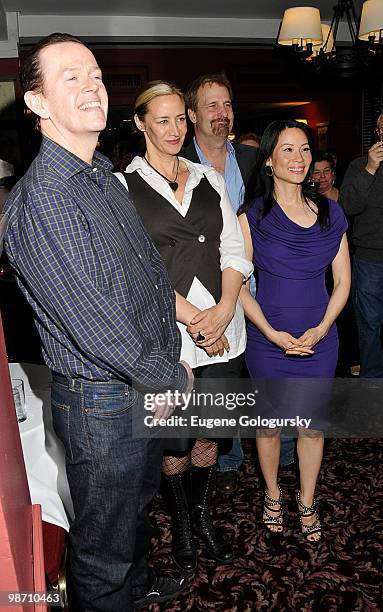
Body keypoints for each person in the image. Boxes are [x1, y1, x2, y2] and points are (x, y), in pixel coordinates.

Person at [4, 33, 193, 611]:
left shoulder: (101, 178)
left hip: (136, 387)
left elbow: (147, 280)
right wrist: (169, 375)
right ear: (37, 103)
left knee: (132, 517)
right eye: (71, 77)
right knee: (102, 551)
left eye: (96, 75)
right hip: (102, 401)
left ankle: (132, 592)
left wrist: (166, 356)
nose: (92, 86)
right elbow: (96, 324)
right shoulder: (45, 199)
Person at [116, 80, 253, 572]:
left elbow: (234, 250)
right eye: (162, 120)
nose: (174, 130)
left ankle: (201, 518)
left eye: (180, 119)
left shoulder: (207, 177)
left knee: (208, 437)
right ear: (140, 123)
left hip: (224, 331)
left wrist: (224, 310)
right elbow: (134, 272)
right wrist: (198, 319)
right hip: (169, 338)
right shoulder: (120, 187)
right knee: (173, 440)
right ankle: (181, 528)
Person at [238, 119, 350, 542]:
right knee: (268, 426)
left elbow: (343, 282)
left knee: (312, 427)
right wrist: (268, 331)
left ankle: (306, 499)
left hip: (320, 340)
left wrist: (322, 329)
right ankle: (271, 494)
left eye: (304, 149)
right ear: (269, 160)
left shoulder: (330, 211)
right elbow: (239, 285)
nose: (299, 159)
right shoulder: (253, 216)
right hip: (269, 341)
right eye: (288, 150)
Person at [183, 73, 261, 493]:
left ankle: (234, 453)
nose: (221, 113)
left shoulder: (250, 160)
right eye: (211, 105)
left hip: (249, 278)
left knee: (243, 366)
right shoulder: (177, 161)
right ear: (192, 114)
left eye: (226, 104)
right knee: (206, 375)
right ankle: (220, 459)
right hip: (197, 288)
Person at [340, 111, 383, 378]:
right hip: (370, 260)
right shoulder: (360, 166)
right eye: (380, 129)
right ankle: (373, 385)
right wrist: (370, 169)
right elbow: (349, 206)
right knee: (370, 325)